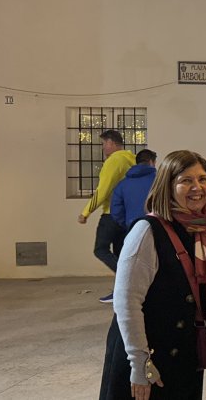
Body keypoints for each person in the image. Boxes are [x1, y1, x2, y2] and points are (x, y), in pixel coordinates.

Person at [100, 150, 206, 400]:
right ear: (167, 186)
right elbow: (126, 302)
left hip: (183, 356)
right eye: (186, 180)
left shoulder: (203, 229)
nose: (197, 187)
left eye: (203, 179)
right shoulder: (147, 231)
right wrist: (139, 363)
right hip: (149, 357)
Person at [79, 129, 136, 303]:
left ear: (111, 142)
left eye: (104, 144)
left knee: (100, 249)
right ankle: (123, 292)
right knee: (120, 253)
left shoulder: (114, 161)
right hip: (126, 215)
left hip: (111, 213)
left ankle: (129, 281)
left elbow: (103, 190)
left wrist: (86, 212)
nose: (103, 148)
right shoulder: (131, 160)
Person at [112, 149, 158, 229]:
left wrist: (127, 223)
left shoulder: (122, 184)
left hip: (132, 227)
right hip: (156, 227)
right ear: (151, 162)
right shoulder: (159, 182)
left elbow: (116, 210)